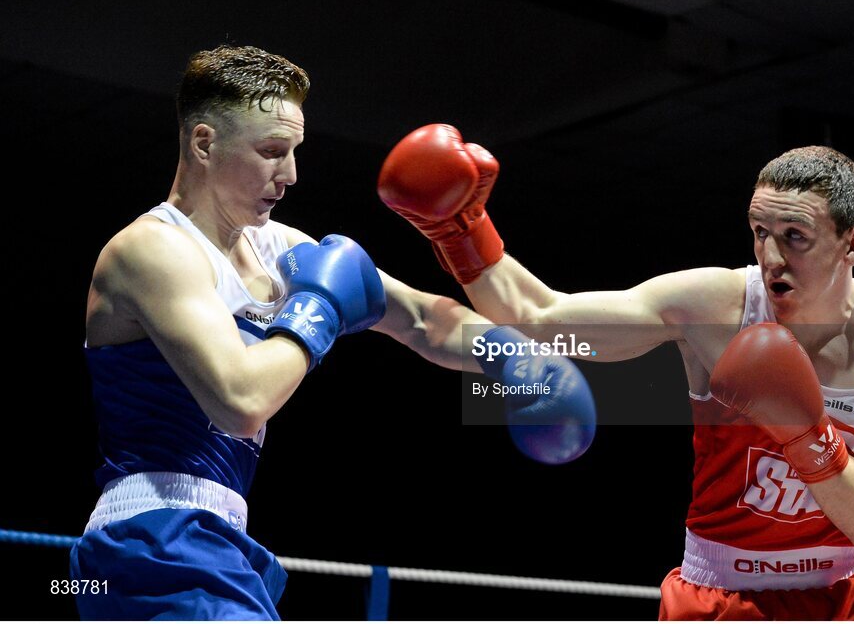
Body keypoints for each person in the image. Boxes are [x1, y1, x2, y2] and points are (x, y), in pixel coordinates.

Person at [70, 47, 595, 620]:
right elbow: (241, 401)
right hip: (150, 538)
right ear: (204, 144)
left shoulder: (283, 251)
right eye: (272, 151)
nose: (290, 174)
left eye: (294, 151)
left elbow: (422, 320)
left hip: (214, 539)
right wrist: (316, 309)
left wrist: (517, 357)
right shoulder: (151, 251)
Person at [377, 124, 854, 620]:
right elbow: (541, 318)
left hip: (852, 589)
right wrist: (462, 231)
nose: (771, 257)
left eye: (795, 237)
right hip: (723, 591)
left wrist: (803, 432)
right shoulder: (712, 307)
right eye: (759, 232)